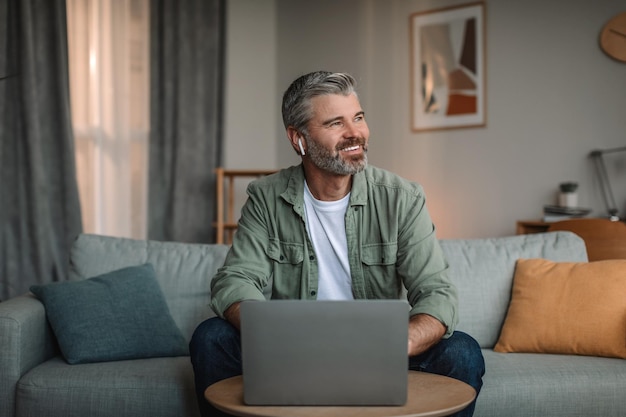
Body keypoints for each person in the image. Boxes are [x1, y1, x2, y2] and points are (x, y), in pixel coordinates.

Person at [190, 71, 485, 417]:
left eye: (358, 118)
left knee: (462, 352)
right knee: (210, 338)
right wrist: (277, 336)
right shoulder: (266, 197)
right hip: (293, 349)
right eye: (335, 123)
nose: (355, 133)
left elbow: (437, 292)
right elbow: (235, 281)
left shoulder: (402, 198)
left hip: (380, 352)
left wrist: (397, 343)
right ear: (298, 138)